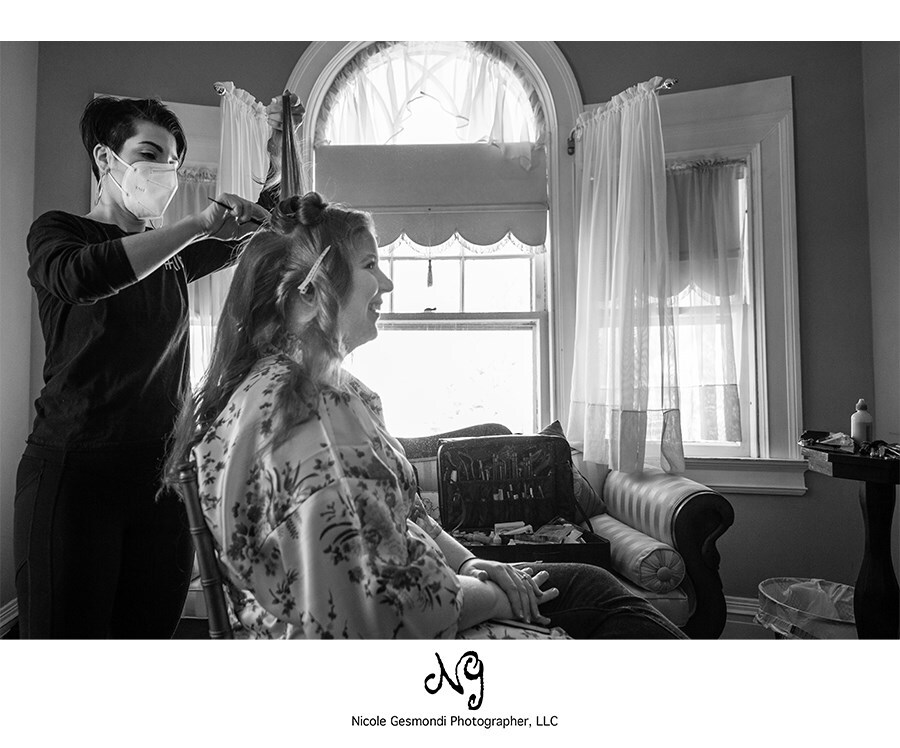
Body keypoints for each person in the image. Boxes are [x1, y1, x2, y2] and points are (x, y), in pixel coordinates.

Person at [165, 191, 688, 640]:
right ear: (306, 298)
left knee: (591, 584)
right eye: (369, 265)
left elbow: (409, 516)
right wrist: (496, 595)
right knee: (606, 607)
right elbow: (382, 607)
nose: (387, 284)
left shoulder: (302, 392)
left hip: (424, 587)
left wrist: (471, 562)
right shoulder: (304, 412)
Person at [13, 96, 271, 639]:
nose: (165, 173)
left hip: (163, 479)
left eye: (174, 162)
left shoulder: (172, 257)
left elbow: (241, 239)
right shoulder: (59, 233)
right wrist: (196, 226)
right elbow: (83, 277)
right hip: (75, 475)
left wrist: (276, 203)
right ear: (105, 159)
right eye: (150, 154)